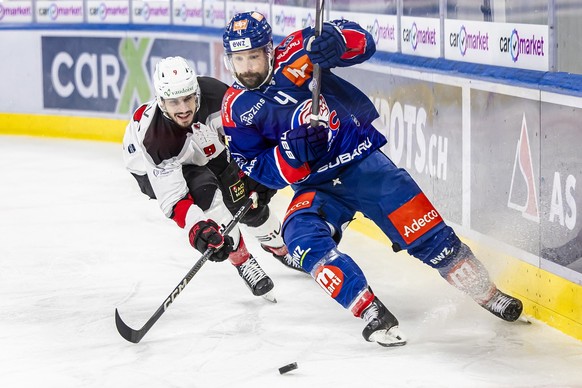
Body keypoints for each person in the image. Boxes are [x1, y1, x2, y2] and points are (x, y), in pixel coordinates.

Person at [220, 12, 524, 346]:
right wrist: (290, 155)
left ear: (269, 50)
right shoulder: (235, 108)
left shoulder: (298, 48)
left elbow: (362, 40)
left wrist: (338, 43)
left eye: (253, 56)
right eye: (239, 59)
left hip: (362, 163)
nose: (247, 66)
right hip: (317, 187)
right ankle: (368, 309)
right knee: (300, 238)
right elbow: (254, 166)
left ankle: (487, 292)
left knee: (428, 237)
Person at [122, 56, 303, 303]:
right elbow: (175, 200)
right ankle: (242, 260)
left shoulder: (217, 96)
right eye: (174, 102)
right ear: (161, 101)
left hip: (205, 149)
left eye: (188, 98)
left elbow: (249, 137)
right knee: (206, 196)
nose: (183, 108)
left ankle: (279, 246)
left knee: (244, 200)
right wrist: (198, 228)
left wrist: (259, 173)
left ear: (196, 90)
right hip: (149, 168)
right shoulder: (155, 138)